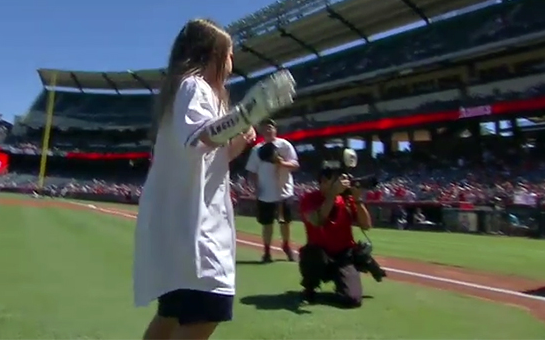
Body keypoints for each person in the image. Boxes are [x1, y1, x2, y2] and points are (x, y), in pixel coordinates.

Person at [132, 19, 296, 340]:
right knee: (209, 308)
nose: (233, 63)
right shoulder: (194, 86)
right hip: (195, 230)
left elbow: (208, 155)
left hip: (180, 228)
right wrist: (245, 115)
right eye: (230, 54)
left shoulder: (185, 90)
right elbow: (203, 137)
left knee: (172, 314)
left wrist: (241, 136)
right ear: (211, 55)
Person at [297, 161, 374, 308]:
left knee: (353, 300)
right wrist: (332, 195)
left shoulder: (346, 200)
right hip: (320, 256)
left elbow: (366, 225)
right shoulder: (309, 199)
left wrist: (358, 200)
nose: (343, 183)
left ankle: (339, 286)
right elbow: (317, 221)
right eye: (338, 180)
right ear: (324, 181)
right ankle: (310, 286)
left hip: (343, 256)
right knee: (311, 253)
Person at [245, 119, 299, 262]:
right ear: (261, 131)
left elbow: (295, 164)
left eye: (270, 127)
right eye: (265, 128)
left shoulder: (285, 145)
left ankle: (286, 246)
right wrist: (255, 188)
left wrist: (282, 163)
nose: (268, 130)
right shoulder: (257, 149)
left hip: (284, 191)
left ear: (275, 129)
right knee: (267, 223)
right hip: (265, 194)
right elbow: (252, 171)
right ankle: (267, 251)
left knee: (285, 222)